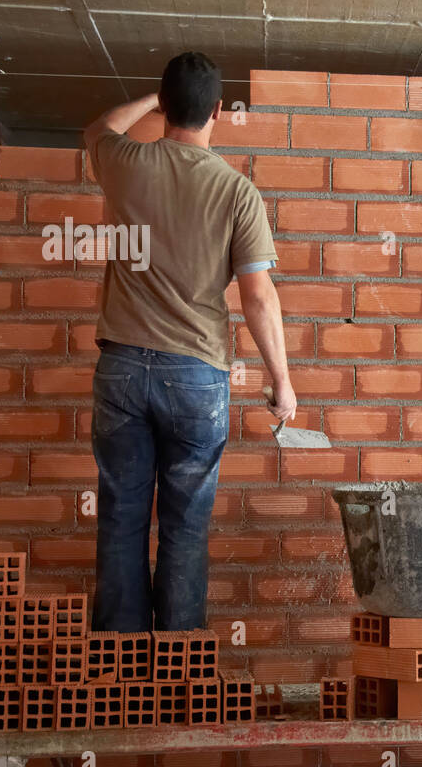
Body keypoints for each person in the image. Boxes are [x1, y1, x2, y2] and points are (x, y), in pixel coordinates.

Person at [83, 51, 296, 631]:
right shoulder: (236, 193)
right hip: (196, 380)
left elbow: (99, 128)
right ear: (218, 111)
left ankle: (120, 680)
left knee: (121, 519)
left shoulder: (126, 163)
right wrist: (282, 381)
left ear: (167, 103)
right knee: (185, 527)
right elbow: (258, 296)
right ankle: (177, 682)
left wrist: (151, 100)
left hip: (122, 369)